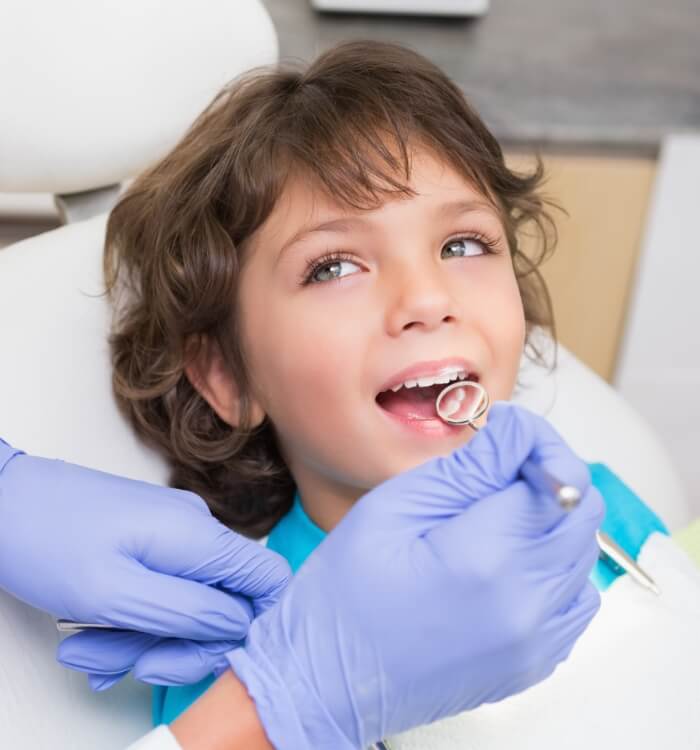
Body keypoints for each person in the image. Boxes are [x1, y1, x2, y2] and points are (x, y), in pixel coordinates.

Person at [0, 38, 612, 750]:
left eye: (464, 245)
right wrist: (294, 705)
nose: (427, 298)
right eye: (333, 267)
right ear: (227, 377)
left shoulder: (591, 502)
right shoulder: (250, 663)